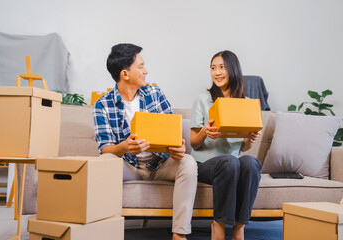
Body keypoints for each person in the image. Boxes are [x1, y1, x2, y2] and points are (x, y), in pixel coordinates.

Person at [93, 43, 197, 240]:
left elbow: (173, 133)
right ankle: (104, 230)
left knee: (188, 162)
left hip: (160, 164)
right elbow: (104, 148)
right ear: (125, 74)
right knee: (103, 161)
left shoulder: (155, 94)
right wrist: (124, 147)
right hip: (129, 167)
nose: (146, 71)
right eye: (140, 66)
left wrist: (179, 148)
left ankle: (179, 235)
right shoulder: (102, 105)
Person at [190, 50, 262, 240]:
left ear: (233, 70)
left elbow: (243, 148)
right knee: (230, 162)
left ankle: (240, 226)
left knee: (251, 163)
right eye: (213, 68)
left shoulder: (246, 103)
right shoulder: (202, 100)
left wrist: (249, 138)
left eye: (222, 67)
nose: (217, 72)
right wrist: (205, 131)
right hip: (205, 165)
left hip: (233, 164)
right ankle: (218, 224)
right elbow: (194, 143)